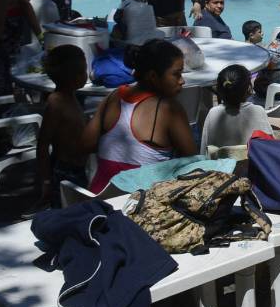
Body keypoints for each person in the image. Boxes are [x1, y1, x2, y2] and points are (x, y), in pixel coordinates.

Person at [81, 39, 197, 192]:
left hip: (97, 198)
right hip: (137, 205)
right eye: (176, 74)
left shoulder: (114, 97)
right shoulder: (169, 109)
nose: (182, 81)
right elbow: (192, 163)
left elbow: (85, 145)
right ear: (153, 76)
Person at [35, 46, 90, 206]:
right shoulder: (56, 103)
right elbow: (43, 144)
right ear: (72, 77)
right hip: (64, 171)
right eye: (83, 71)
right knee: (67, 213)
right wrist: (45, 181)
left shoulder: (72, 97)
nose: (86, 75)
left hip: (78, 168)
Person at [201, 65, 274, 153]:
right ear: (249, 88)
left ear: (219, 89)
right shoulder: (258, 111)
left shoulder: (213, 113)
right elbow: (270, 146)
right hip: (252, 165)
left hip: (220, 166)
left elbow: (204, 152)